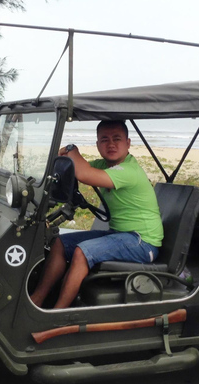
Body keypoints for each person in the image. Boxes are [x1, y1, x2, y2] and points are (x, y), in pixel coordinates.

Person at [30, 120, 163, 309]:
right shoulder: (104, 164)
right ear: (98, 145)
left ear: (128, 143)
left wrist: (71, 149)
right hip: (121, 234)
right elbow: (73, 171)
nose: (111, 144)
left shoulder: (129, 171)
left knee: (82, 252)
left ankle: (57, 314)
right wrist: (60, 162)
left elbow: (84, 173)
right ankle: (37, 300)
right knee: (59, 243)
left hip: (143, 241)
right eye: (104, 140)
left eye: (117, 139)